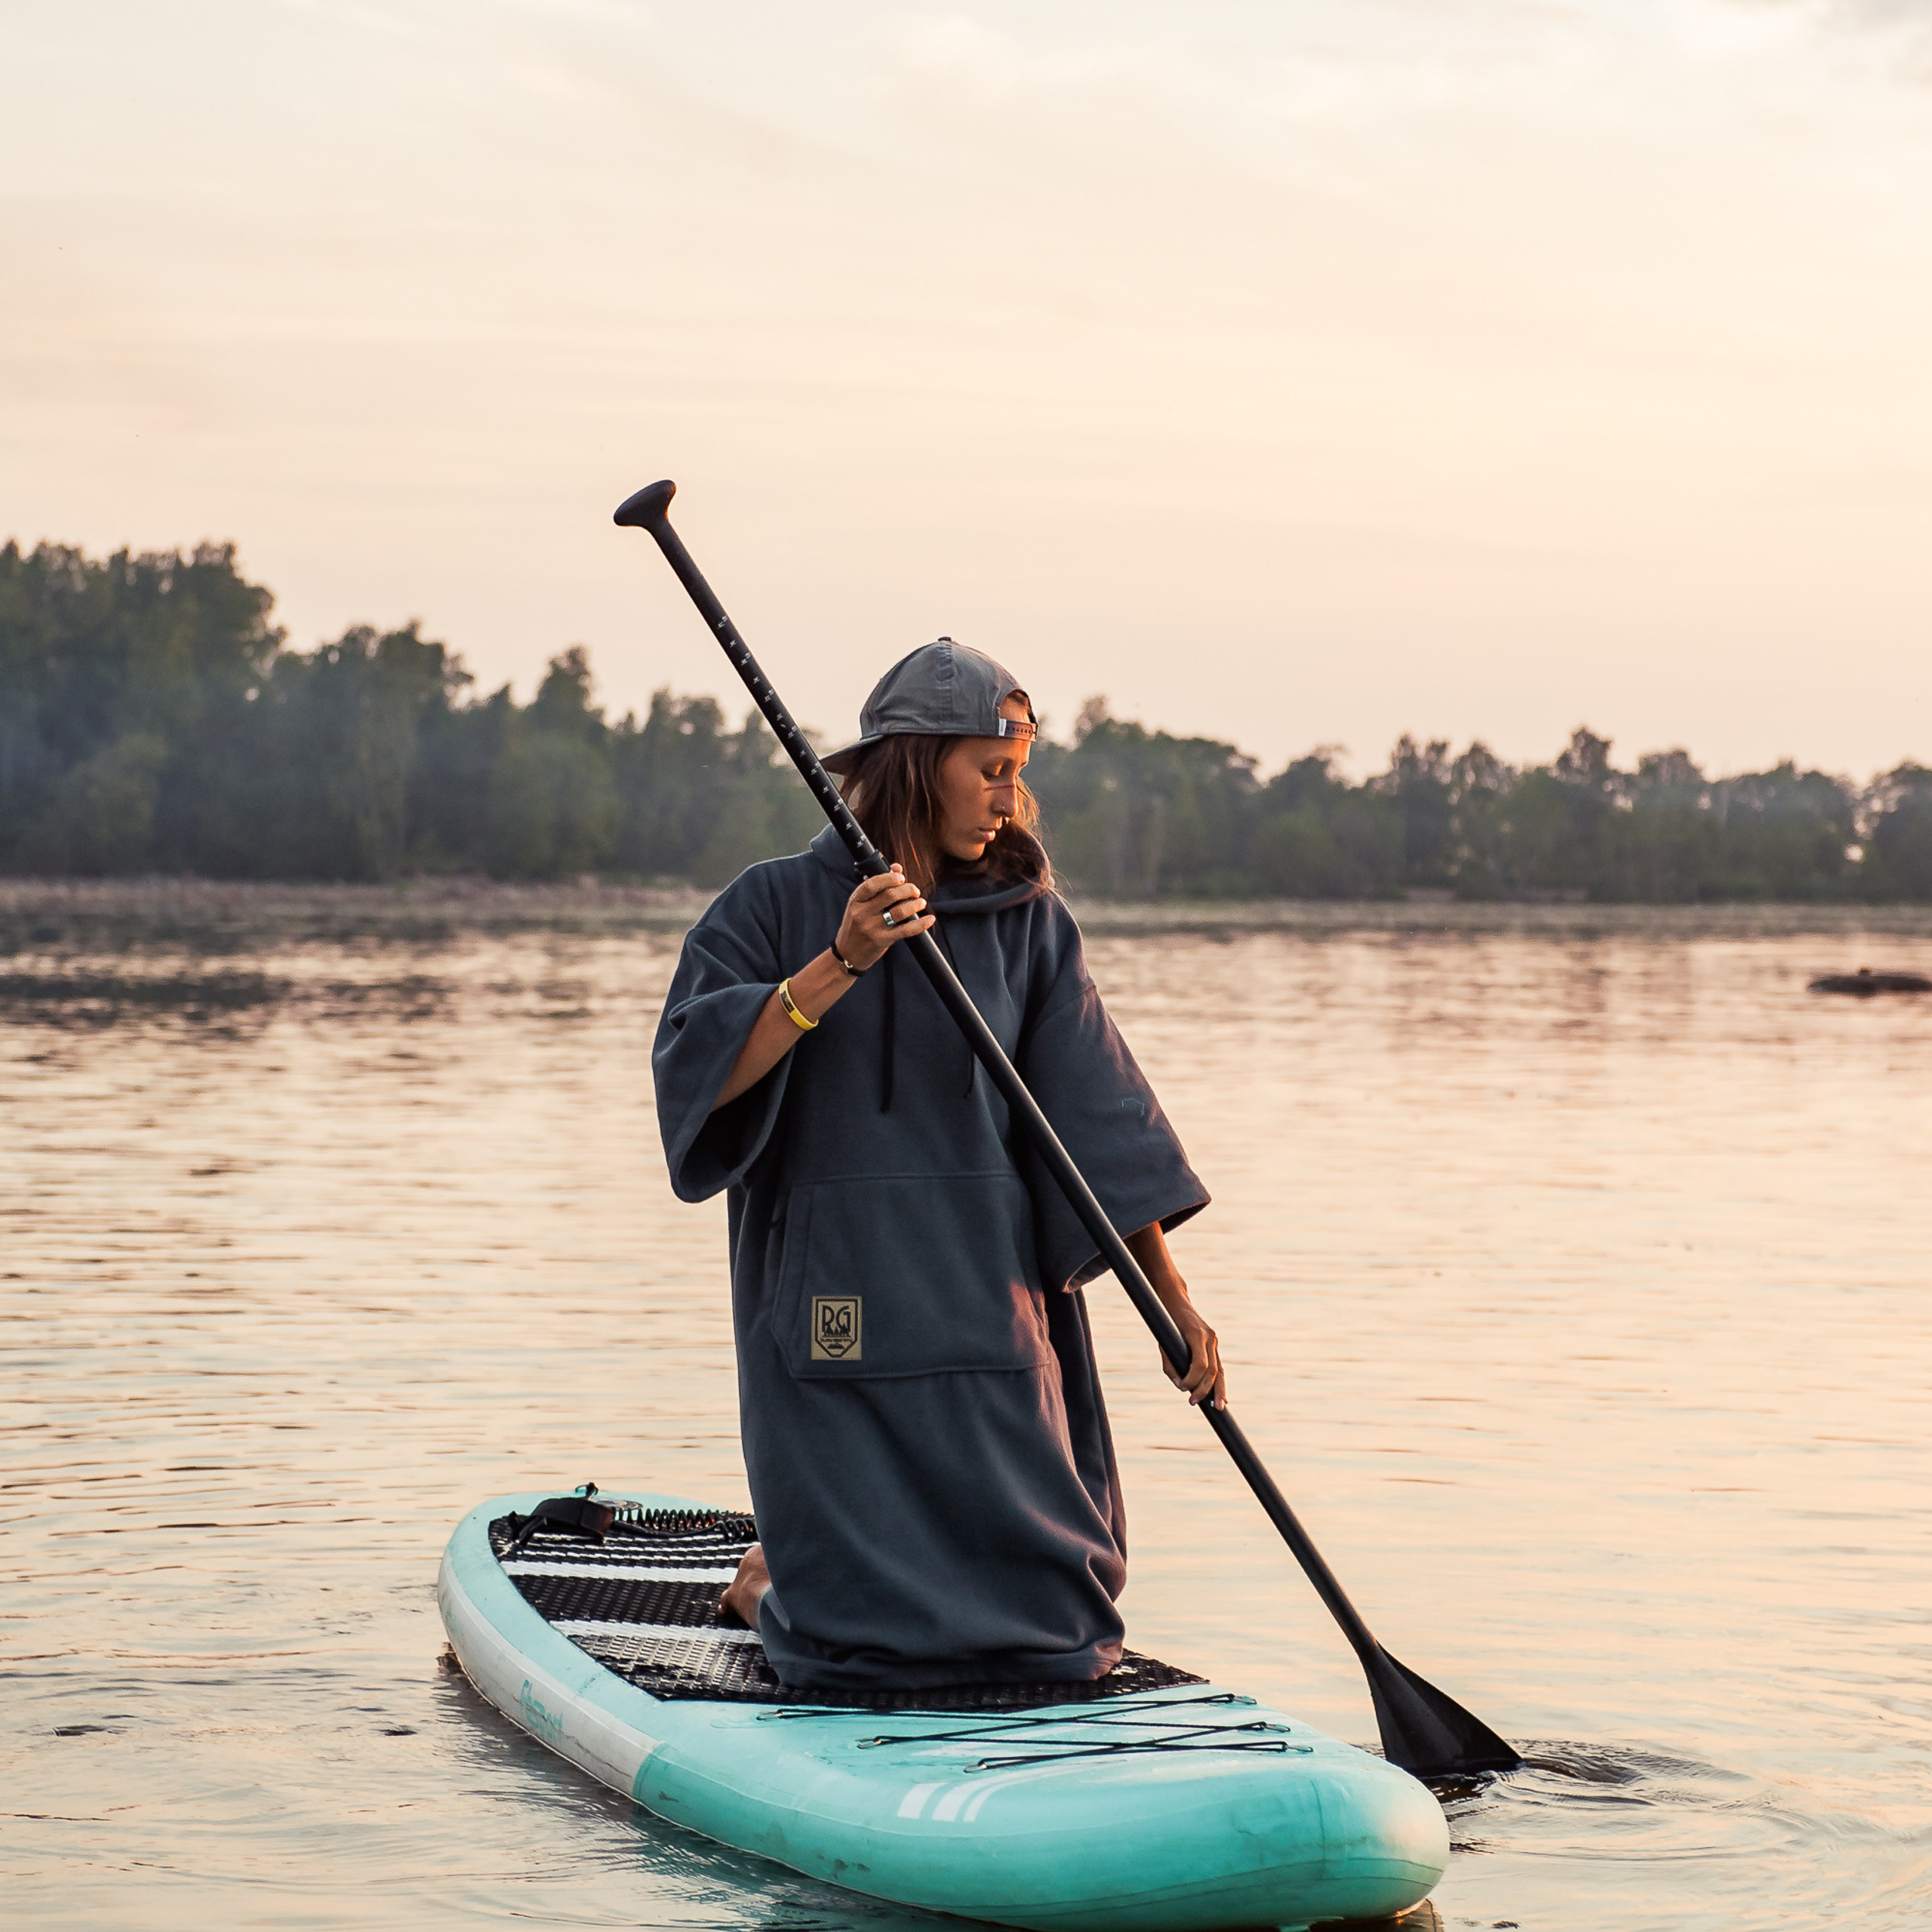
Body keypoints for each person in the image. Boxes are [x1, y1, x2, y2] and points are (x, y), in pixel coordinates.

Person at [652, 638, 1223, 1692]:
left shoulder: (1028, 926)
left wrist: (1175, 1302)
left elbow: (1097, 1125)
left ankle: (783, 1576)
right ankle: (772, 1587)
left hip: (993, 1303)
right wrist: (840, 964)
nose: (1011, 799)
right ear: (918, 766)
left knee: (1056, 1626)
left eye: (1019, 773)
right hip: (839, 1305)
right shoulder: (770, 907)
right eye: (990, 770)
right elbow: (699, 1076)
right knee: (852, 1641)